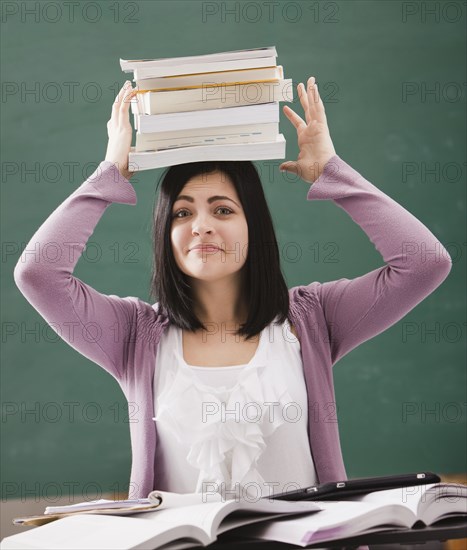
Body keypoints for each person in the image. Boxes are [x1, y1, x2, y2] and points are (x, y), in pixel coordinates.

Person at [14, 78, 452, 501]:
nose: (201, 225)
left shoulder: (312, 318)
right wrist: (110, 174)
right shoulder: (133, 335)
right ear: (165, 235)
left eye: (222, 209)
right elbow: (39, 273)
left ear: (253, 226)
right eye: (182, 214)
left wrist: (330, 173)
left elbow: (423, 262)